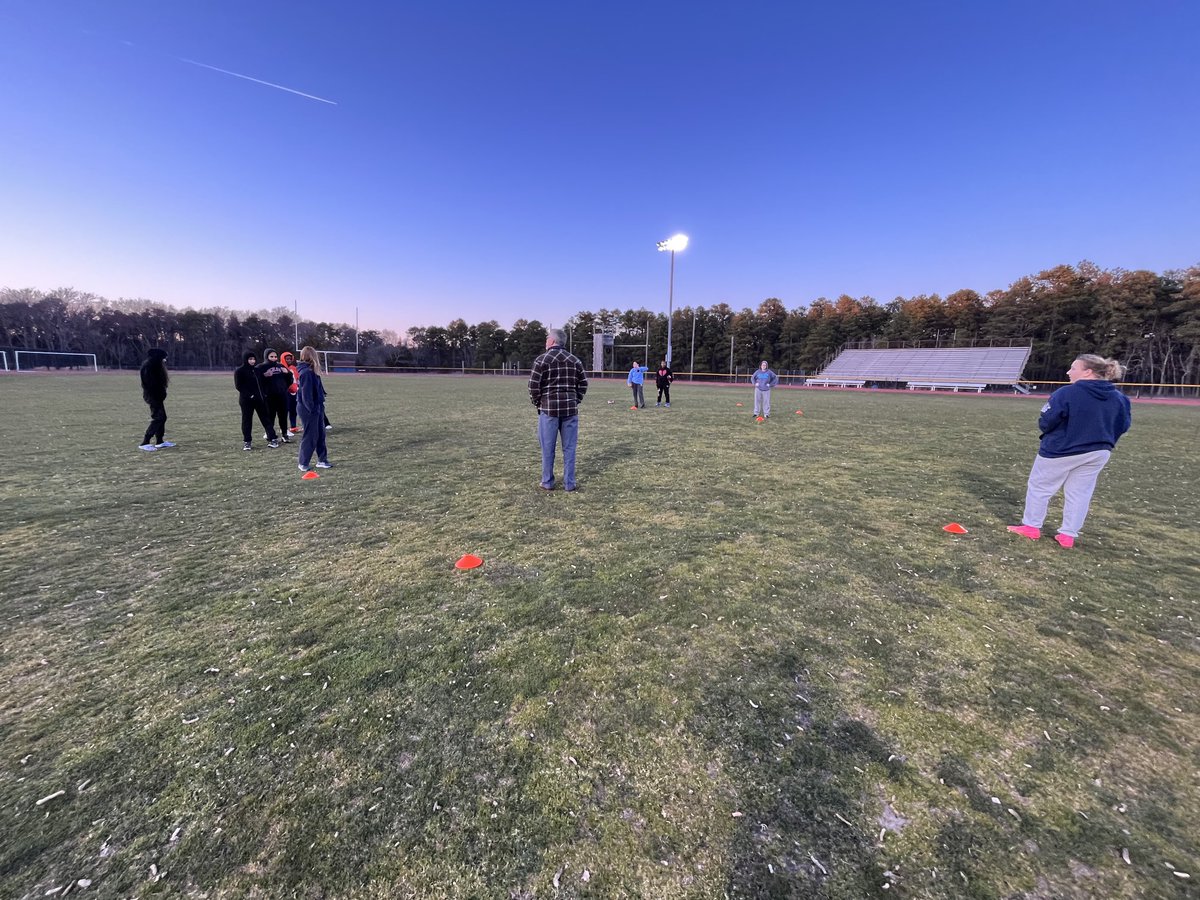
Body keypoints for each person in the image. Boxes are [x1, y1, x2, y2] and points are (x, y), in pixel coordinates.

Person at [1007, 354, 1132, 549]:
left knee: (1040, 488)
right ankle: (1068, 535)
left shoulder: (1067, 393)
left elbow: (1047, 421)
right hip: (1099, 451)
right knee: (1080, 493)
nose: (1068, 372)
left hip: (1061, 449)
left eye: (1073, 368)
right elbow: (1123, 425)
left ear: (1088, 372)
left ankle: (1031, 526)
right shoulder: (1120, 398)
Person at [528, 328, 588, 491]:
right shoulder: (575, 360)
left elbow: (533, 386)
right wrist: (575, 399)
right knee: (569, 449)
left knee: (547, 448)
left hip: (549, 411)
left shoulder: (541, 360)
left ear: (553, 341)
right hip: (570, 410)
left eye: (547, 338)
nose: (546, 340)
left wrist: (538, 403)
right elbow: (583, 384)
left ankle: (547, 481)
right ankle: (569, 483)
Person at [296, 346, 332, 472]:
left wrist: (322, 395)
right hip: (309, 408)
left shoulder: (312, 372)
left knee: (321, 434)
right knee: (310, 435)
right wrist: (312, 409)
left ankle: (322, 460)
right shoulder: (306, 373)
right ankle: (303, 462)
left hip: (317, 406)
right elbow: (306, 395)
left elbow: (316, 388)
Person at [234, 351, 279, 450]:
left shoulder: (257, 370)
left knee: (266, 419)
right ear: (246, 360)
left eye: (253, 359)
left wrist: (263, 392)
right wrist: (250, 395)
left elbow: (261, 382)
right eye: (250, 359)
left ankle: (273, 439)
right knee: (247, 421)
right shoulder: (239, 371)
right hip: (246, 401)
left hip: (260, 400)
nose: (252, 361)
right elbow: (239, 386)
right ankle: (247, 442)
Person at [138, 348, 174, 451]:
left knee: (162, 417)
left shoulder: (154, 367)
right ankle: (145, 442)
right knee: (159, 418)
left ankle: (160, 441)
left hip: (156, 396)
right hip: (153, 396)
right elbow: (151, 384)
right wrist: (158, 394)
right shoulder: (148, 367)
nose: (165, 361)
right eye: (163, 359)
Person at [255, 348, 294, 443]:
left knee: (283, 416)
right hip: (269, 396)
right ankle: (270, 434)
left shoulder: (281, 366)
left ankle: (284, 434)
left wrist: (288, 374)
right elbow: (256, 381)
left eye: (275, 356)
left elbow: (290, 380)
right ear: (266, 357)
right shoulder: (260, 367)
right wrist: (264, 376)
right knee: (270, 416)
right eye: (271, 356)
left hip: (282, 396)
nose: (274, 358)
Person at [280, 350, 302, 435]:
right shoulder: (280, 368)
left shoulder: (293, 368)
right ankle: (283, 428)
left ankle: (293, 427)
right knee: (284, 411)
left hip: (294, 391)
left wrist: (298, 387)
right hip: (285, 392)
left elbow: (297, 378)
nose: (289, 360)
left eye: (290, 359)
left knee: (293, 410)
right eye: (287, 359)